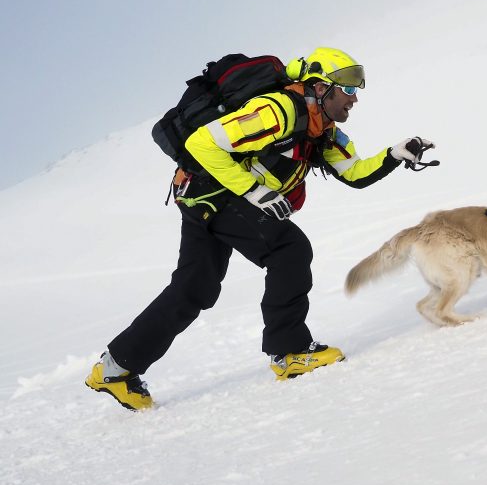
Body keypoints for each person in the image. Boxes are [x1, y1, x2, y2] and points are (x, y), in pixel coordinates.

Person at [86, 47, 435, 411]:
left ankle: (115, 369)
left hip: (202, 197)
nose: (355, 96)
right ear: (319, 86)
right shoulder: (278, 110)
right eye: (347, 86)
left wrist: (396, 154)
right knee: (289, 249)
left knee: (194, 289)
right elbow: (202, 144)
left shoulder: (325, 131)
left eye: (357, 86)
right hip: (213, 192)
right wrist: (255, 191)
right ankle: (291, 352)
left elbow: (355, 174)